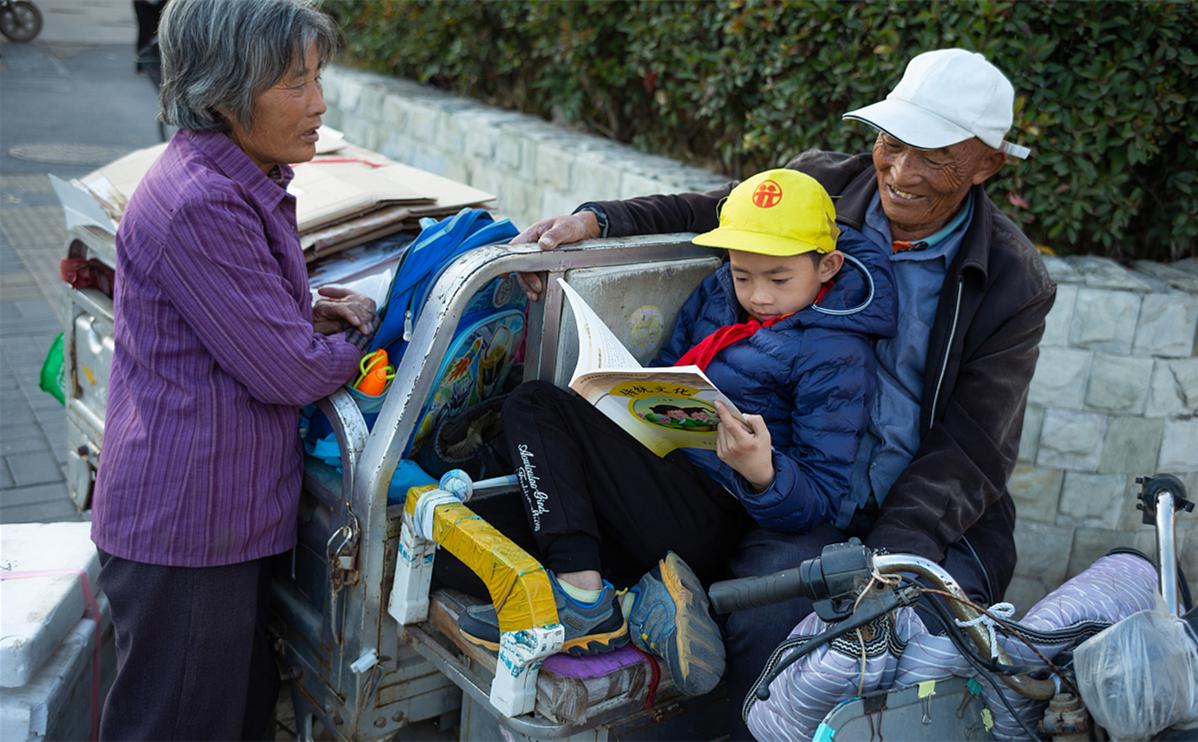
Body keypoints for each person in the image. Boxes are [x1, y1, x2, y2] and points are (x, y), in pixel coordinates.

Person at [511, 48, 1056, 736]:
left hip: (909, 514)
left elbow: (972, 449)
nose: (901, 172)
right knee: (764, 620)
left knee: (892, 648)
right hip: (791, 485)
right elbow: (717, 210)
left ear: (988, 165)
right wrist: (595, 222)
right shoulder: (824, 185)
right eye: (892, 142)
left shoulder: (1012, 280)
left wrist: (884, 558)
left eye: (936, 157)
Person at [450, 169, 896, 697]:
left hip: (715, 511)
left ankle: (584, 603)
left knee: (536, 407)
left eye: (779, 279)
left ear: (828, 266)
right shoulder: (717, 294)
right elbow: (666, 373)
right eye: (743, 274)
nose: (759, 295)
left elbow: (821, 498)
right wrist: (622, 397)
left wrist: (763, 473)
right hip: (658, 477)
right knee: (469, 546)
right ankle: (638, 603)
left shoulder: (837, 353)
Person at [89, 1, 375, 738]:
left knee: (230, 715)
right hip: (189, 527)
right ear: (222, 91)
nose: (317, 104)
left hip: (211, 520)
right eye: (293, 83)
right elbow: (288, 372)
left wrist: (307, 307)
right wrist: (373, 345)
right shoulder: (202, 201)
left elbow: (233, 313)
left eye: (318, 78)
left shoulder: (236, 174)